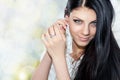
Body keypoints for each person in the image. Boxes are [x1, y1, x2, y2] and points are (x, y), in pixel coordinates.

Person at [32, 0, 120, 80]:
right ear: (67, 17)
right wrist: (50, 49)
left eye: (94, 24)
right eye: (78, 21)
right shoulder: (59, 42)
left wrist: (58, 58)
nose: (86, 32)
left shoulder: (108, 59)